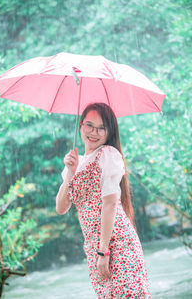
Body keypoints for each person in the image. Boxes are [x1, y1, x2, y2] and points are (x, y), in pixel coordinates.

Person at [56, 103, 151, 298]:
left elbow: (109, 205)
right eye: (89, 125)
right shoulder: (75, 163)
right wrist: (70, 174)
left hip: (116, 243)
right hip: (93, 248)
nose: (94, 132)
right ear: (81, 126)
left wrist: (103, 252)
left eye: (101, 128)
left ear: (109, 132)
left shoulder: (108, 155)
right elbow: (61, 207)